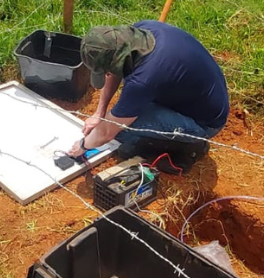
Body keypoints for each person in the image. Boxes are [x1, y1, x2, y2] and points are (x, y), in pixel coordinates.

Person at [68, 20, 229, 174]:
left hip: (204, 122)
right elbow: (114, 72)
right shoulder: (141, 31)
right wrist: (99, 114)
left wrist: (83, 145)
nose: (108, 74)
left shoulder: (143, 80)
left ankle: (188, 146)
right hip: (196, 97)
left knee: (122, 133)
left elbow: (106, 133)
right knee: (121, 116)